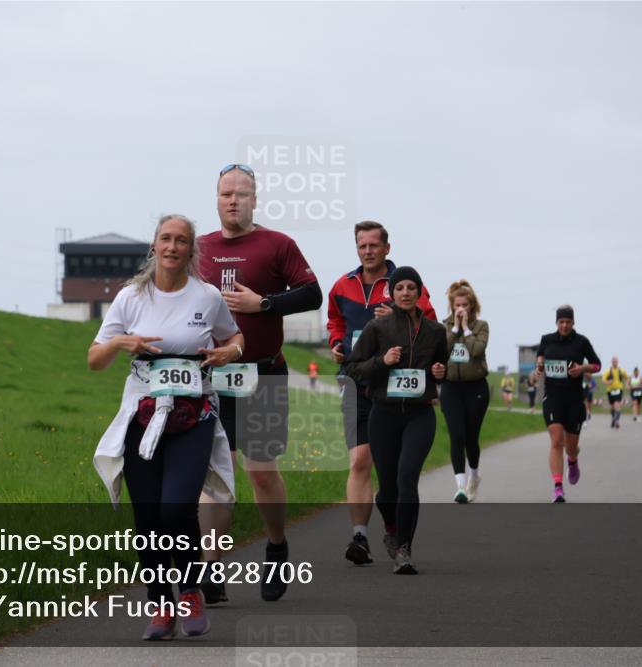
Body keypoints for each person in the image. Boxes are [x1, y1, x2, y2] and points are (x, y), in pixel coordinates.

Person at [90, 215, 245, 640]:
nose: (172, 247)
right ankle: (160, 605)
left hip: (194, 415)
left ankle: (191, 591)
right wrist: (124, 342)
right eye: (166, 239)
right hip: (143, 418)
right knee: (148, 516)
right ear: (154, 246)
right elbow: (94, 358)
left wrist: (227, 354)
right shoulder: (130, 298)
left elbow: (235, 339)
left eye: (181, 241)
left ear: (191, 250)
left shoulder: (207, 296)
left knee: (176, 508)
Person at [198, 164, 322, 603]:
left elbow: (312, 293)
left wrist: (264, 303)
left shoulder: (278, 244)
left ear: (255, 199)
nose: (233, 200)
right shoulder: (200, 249)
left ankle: (276, 546)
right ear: (216, 199)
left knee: (260, 472)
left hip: (262, 372)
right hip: (212, 376)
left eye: (242, 193)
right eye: (226, 193)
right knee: (214, 474)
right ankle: (211, 568)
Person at [326, 220, 437, 565]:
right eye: (362, 246)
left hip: (392, 384)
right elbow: (335, 321)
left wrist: (401, 317)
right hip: (355, 377)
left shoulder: (403, 285)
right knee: (359, 459)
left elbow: (429, 323)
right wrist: (335, 343)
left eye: (374, 245)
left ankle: (392, 525)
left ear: (387, 248)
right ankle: (359, 537)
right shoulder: (342, 285)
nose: (368, 251)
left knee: (389, 474)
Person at [343, 267, 448, 574]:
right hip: (384, 414)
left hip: (419, 414)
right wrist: (382, 361)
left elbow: (443, 366)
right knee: (387, 490)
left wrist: (440, 374)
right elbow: (352, 368)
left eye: (411, 287)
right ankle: (391, 526)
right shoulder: (377, 328)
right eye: (399, 287)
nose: (405, 292)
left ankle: (404, 548)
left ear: (419, 293)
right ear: (391, 292)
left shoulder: (435, 331)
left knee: (407, 479)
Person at [532, 305, 601, 503]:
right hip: (552, 397)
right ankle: (558, 487)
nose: (564, 325)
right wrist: (539, 366)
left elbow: (597, 364)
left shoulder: (581, 342)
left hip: (574, 400)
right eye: (561, 322)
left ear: (573, 323)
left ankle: (572, 460)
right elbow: (541, 355)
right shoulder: (547, 339)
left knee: (571, 447)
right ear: (556, 322)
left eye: (568, 322)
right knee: (555, 440)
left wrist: (583, 368)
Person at [439, 280, 490, 504]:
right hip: (451, 388)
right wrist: (456, 328)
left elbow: (477, 350)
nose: (461, 309)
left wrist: (467, 328)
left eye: (465, 305)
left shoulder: (481, 326)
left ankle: (475, 475)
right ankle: (460, 486)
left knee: (471, 438)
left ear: (472, 306)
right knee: (456, 436)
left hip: (476, 387)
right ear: (452, 306)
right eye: (457, 305)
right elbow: (442, 350)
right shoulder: (444, 327)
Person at [602, 357, 627, 429]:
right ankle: (613, 419)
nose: (614, 363)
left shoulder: (621, 370)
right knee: (612, 407)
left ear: (618, 362)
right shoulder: (608, 371)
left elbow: (627, 378)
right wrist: (608, 382)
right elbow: (603, 380)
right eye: (613, 361)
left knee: (617, 405)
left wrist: (627, 384)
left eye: (615, 361)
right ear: (611, 362)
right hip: (610, 391)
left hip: (619, 390)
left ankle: (617, 421)